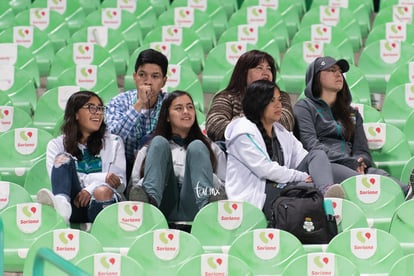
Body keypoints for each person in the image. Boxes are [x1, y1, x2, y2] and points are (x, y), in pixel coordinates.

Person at [293, 56, 413, 199]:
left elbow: (361, 149)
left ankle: (408, 193)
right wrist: (349, 162)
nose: (338, 74)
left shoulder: (352, 113)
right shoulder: (304, 107)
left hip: (352, 166)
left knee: (383, 177)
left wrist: (361, 161)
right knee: (361, 181)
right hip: (323, 167)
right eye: (331, 70)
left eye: (340, 71)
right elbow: (311, 144)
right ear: (315, 77)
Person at [225, 80, 343, 221]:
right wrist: (300, 176)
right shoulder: (243, 132)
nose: (278, 105)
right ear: (257, 103)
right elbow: (266, 169)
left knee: (318, 155)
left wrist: (310, 175)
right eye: (271, 100)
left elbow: (303, 158)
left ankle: (329, 192)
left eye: (279, 100)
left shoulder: (280, 131)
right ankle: (328, 210)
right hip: (259, 194)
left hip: (284, 184)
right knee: (309, 188)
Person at [128, 90, 227, 226]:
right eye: (179, 108)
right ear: (167, 116)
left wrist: (207, 177)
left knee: (197, 146)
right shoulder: (149, 148)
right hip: (161, 205)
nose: (186, 111)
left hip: (196, 206)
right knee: (159, 142)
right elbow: (135, 185)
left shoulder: (211, 148)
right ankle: (149, 205)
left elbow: (224, 185)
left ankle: (207, 210)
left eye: (190, 107)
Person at [37, 91, 127, 225]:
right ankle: (62, 207)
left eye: (100, 108)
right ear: (76, 114)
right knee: (63, 158)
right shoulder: (56, 145)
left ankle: (103, 233)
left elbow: (119, 182)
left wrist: (88, 189)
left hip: (102, 202)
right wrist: (102, 177)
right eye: (91, 107)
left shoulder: (114, 142)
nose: (98, 112)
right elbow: (59, 180)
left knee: (102, 191)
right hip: (74, 204)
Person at [206, 50, 295, 146]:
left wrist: (239, 121)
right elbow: (214, 125)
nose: (266, 73)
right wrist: (258, 124)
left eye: (269, 69)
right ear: (244, 73)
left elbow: (286, 123)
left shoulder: (281, 97)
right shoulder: (226, 97)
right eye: (259, 68)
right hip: (235, 147)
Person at [105, 49, 169, 179]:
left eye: (155, 76)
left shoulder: (171, 103)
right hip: (122, 168)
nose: (148, 81)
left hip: (159, 170)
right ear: (135, 77)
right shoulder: (119, 101)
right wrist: (139, 104)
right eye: (142, 75)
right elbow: (112, 138)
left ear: (164, 81)